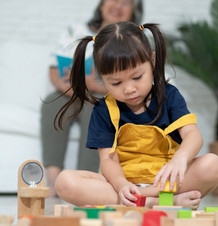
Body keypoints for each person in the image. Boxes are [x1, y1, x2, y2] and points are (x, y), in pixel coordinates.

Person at [53, 22, 218, 209]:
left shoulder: (169, 96)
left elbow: (193, 135)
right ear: (102, 79)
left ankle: (141, 200)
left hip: (166, 182)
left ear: (152, 62)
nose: (129, 89)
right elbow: (108, 160)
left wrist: (180, 159)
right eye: (116, 83)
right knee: (65, 181)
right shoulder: (104, 110)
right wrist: (121, 185)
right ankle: (161, 202)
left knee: (213, 165)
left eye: (137, 77)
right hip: (124, 186)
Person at [41, 0, 144, 197]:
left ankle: (84, 179)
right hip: (70, 91)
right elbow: (54, 68)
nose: (118, 5)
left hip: (102, 94)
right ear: (101, 4)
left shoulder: (131, 40)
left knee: (95, 109)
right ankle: (53, 181)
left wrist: (92, 85)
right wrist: (68, 87)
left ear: (133, 12)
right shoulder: (75, 31)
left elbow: (132, 82)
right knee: (53, 102)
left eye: (127, 3)